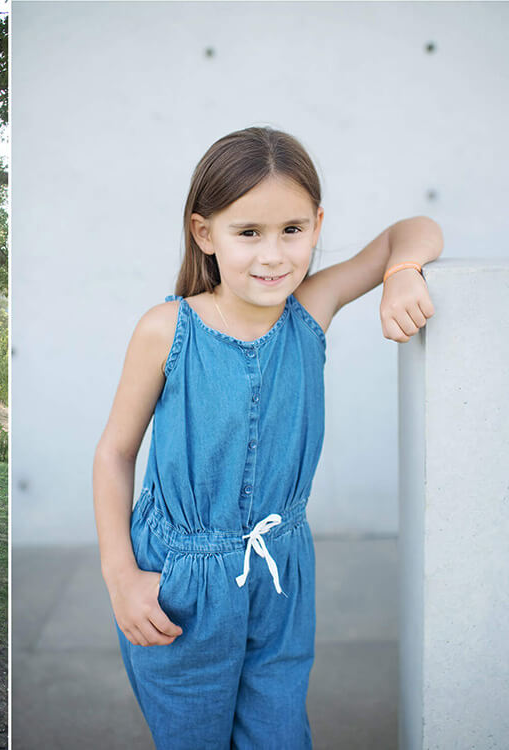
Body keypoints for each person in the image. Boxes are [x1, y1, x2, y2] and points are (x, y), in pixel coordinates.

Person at [92, 127, 443, 749]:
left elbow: (412, 228)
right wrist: (120, 576)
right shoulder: (167, 329)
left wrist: (403, 271)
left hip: (281, 574)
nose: (274, 255)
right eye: (248, 232)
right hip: (181, 583)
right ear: (205, 233)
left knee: (280, 736)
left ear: (316, 224)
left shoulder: (313, 306)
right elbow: (115, 453)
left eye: (293, 229)